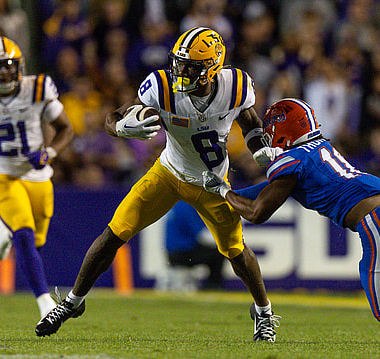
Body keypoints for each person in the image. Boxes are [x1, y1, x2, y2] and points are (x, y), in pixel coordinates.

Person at [35, 27, 281, 342]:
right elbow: (115, 116)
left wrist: (257, 145)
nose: (180, 71)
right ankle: (72, 302)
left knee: (236, 251)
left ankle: (263, 313)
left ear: (211, 70)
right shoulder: (162, 87)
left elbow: (249, 121)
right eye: (178, 63)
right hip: (167, 173)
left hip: (213, 183)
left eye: (190, 66)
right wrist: (122, 128)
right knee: (113, 233)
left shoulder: (234, 87)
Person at [202, 98, 380, 343]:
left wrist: (223, 190)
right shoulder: (318, 148)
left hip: (379, 221)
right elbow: (263, 194)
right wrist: (225, 193)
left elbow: (257, 212)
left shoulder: (291, 162)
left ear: (283, 131)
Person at [0, 36, 73, 317]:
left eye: (8, 65)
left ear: (19, 66)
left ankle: (5, 226)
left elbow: (66, 129)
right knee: (24, 235)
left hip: (36, 174)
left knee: (36, 242)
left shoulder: (37, 89)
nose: (3, 72)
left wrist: (49, 153)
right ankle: (44, 304)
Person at [162, 201, 225, 291]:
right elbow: (201, 236)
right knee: (218, 253)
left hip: (174, 252)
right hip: (182, 253)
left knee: (214, 252)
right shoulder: (187, 205)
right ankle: (213, 286)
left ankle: (213, 286)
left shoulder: (177, 203)